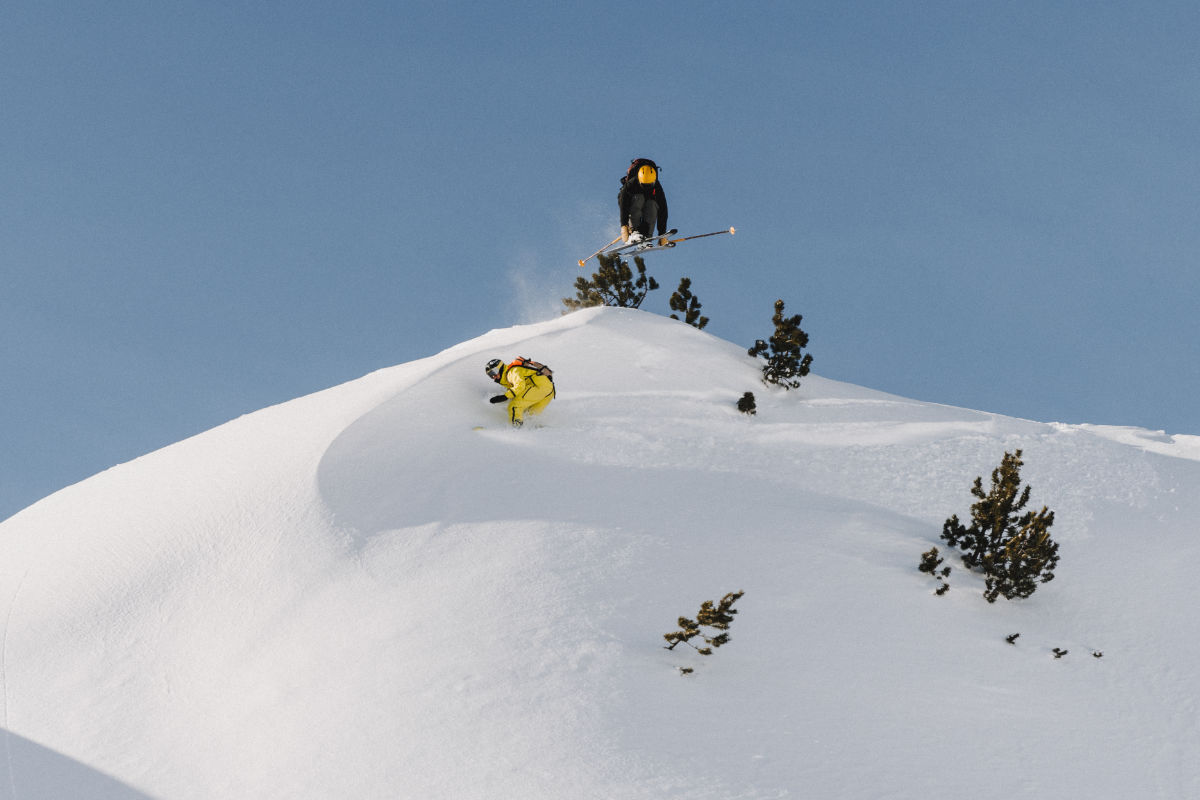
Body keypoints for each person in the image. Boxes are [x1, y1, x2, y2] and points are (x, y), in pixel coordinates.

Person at [485, 357, 555, 427]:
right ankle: (534, 429)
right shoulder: (508, 378)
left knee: (514, 406)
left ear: (499, 368)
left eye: (493, 372)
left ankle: (516, 429)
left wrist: (505, 396)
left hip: (539, 386)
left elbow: (520, 385)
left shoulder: (512, 372)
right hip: (549, 392)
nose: (493, 376)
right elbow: (516, 391)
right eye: (490, 375)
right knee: (529, 414)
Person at [617, 157, 668, 243]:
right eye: (644, 185)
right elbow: (623, 205)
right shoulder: (631, 184)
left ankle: (647, 235)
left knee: (652, 204)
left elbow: (663, 210)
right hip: (631, 203)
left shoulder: (657, 187)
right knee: (639, 198)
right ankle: (635, 231)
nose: (647, 188)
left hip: (647, 203)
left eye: (650, 185)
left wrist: (662, 234)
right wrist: (624, 225)